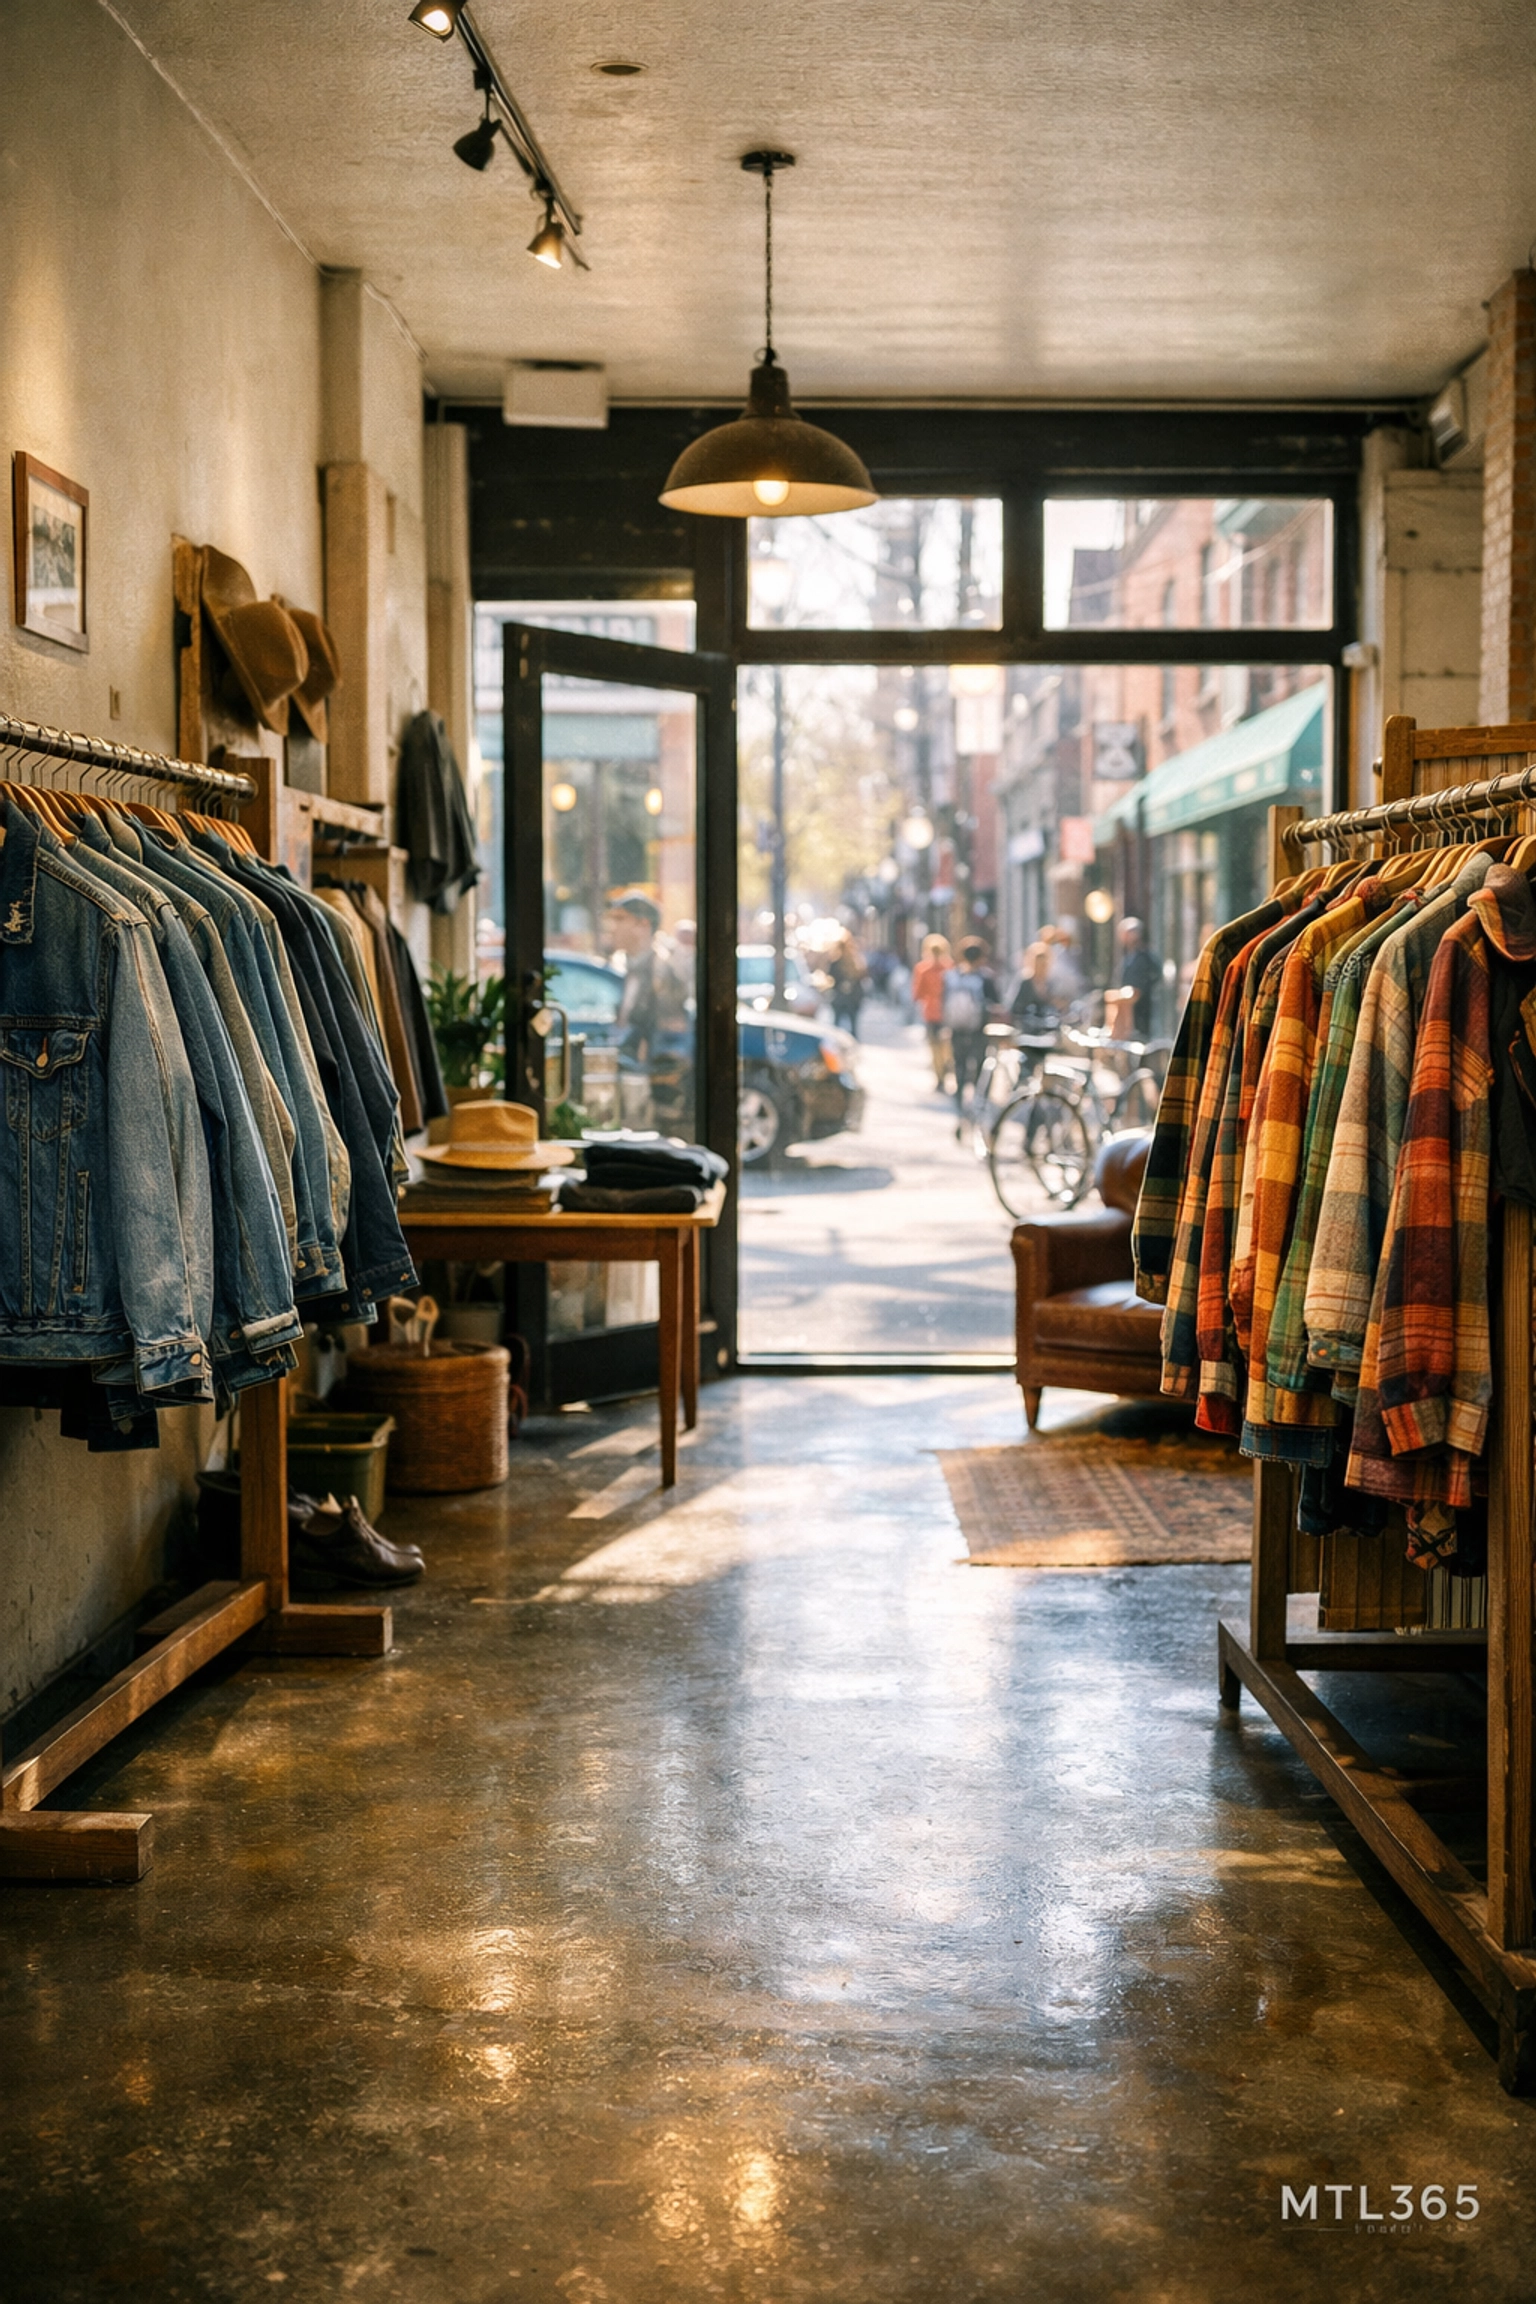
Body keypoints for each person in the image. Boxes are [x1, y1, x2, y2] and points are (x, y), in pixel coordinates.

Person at [603, 890, 694, 1128]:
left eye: (620, 919)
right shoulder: (629, 968)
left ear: (643, 925)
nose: (613, 927)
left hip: (650, 1095)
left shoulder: (661, 972)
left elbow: (669, 1045)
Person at [944, 935, 1001, 1128]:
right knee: (979, 1068)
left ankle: (960, 1106)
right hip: (979, 1031)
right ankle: (977, 1106)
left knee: (959, 1066)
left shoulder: (953, 976)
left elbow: (945, 1002)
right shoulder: (985, 978)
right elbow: (996, 1004)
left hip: (957, 1029)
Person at [910, 932, 953, 1088]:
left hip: (931, 1012)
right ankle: (946, 1064)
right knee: (946, 1043)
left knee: (934, 1045)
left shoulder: (922, 969)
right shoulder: (950, 967)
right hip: (948, 1012)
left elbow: (917, 994)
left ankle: (939, 1074)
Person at [1114, 916, 1163, 1041]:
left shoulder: (1144, 956)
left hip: (1142, 1007)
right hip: (1129, 1010)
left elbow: (1154, 976)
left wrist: (1139, 991)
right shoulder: (1129, 956)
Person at [828, 932, 867, 1037]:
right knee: (844, 1024)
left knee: (845, 1024)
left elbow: (862, 975)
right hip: (846, 998)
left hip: (849, 998)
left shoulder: (855, 961)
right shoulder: (850, 961)